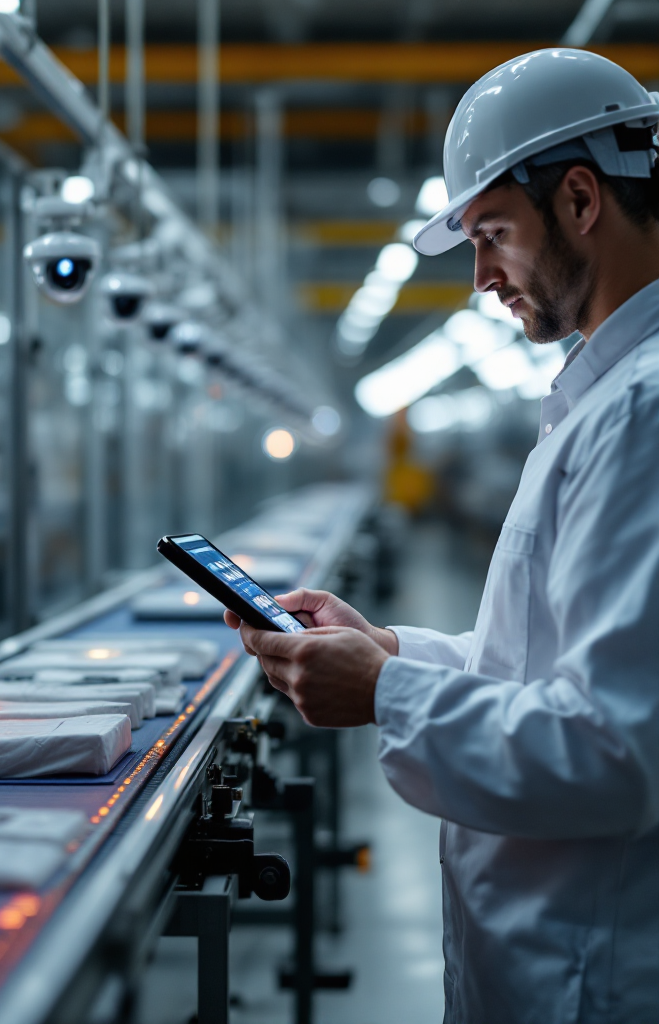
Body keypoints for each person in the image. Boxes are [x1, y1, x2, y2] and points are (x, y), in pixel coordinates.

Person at [226, 49, 659, 1024]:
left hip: (593, 972)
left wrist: (383, 693)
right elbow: (549, 671)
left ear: (581, 200)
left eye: (493, 233)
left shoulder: (641, 414)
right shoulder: (599, 402)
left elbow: (612, 753)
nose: (479, 276)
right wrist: (389, 649)